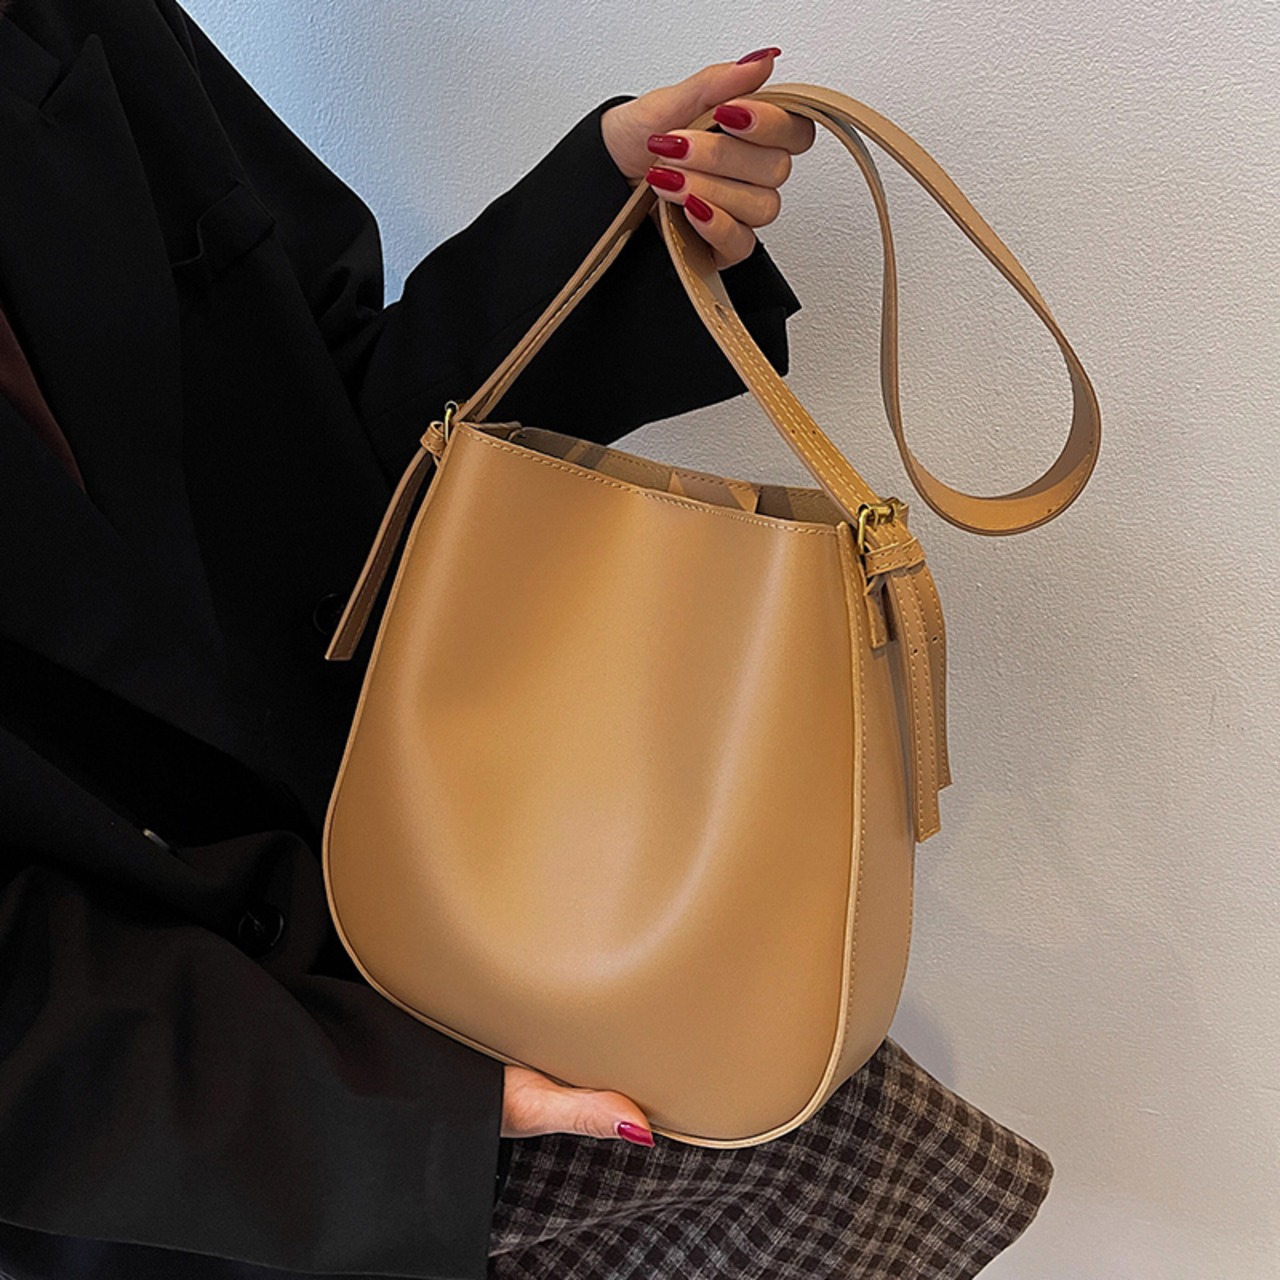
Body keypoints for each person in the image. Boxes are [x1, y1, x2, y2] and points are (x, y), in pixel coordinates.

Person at [0, 1, 1054, 1276]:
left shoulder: (65, 21)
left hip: (481, 887)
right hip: (192, 1163)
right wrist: (398, 1118)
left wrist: (607, 215)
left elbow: (345, 434)